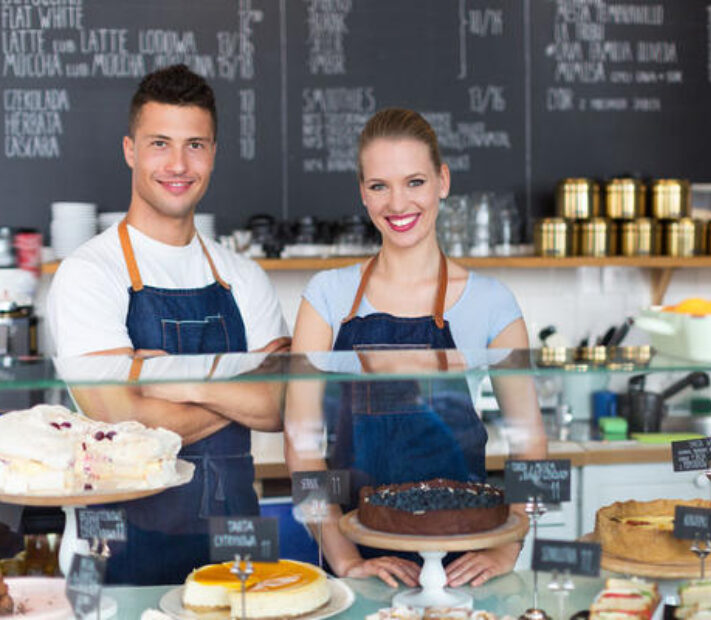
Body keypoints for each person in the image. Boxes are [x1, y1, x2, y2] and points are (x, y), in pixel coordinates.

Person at [46, 64, 289, 584]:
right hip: (111, 548)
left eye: (195, 145)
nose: (178, 164)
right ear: (130, 150)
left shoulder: (244, 277)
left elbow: (283, 403)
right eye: (160, 143)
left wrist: (167, 378)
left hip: (235, 543)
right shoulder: (89, 272)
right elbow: (117, 416)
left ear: (214, 154)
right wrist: (239, 389)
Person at [286, 108, 546, 589]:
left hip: (465, 562)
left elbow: (530, 442)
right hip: (361, 560)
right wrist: (344, 559)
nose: (397, 202)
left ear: (442, 182)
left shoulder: (493, 302)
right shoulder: (326, 297)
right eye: (380, 186)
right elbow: (300, 446)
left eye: (415, 182)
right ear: (363, 193)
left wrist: (507, 545)